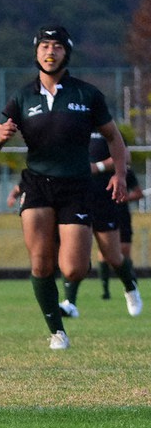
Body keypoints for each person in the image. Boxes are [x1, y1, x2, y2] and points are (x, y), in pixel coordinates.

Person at [0, 25, 127, 350]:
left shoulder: (86, 95)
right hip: (36, 184)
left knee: (74, 269)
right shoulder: (22, 96)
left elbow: (114, 138)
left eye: (57, 47)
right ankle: (57, 332)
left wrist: (119, 174)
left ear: (67, 53)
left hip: (76, 185)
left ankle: (75, 260)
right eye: (45, 46)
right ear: (36, 52)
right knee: (40, 262)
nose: (50, 52)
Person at [58, 132, 142, 317]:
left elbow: (125, 157)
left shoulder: (106, 125)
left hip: (103, 198)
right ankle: (70, 302)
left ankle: (130, 287)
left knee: (112, 256)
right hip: (76, 197)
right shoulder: (71, 123)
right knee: (75, 254)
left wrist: (98, 166)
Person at [97, 166, 144, 300]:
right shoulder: (97, 171)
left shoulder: (125, 171)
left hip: (122, 215)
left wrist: (125, 197)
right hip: (103, 212)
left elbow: (138, 193)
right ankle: (105, 291)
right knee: (103, 251)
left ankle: (131, 284)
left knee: (124, 250)